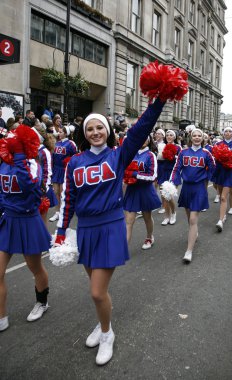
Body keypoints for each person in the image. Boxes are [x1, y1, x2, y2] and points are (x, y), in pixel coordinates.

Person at [54, 98, 166, 365]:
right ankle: (102, 324)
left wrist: (159, 101)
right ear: (84, 132)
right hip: (86, 230)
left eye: (99, 128)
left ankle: (107, 334)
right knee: (97, 289)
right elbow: (68, 199)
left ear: (107, 131)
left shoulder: (118, 154)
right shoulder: (75, 162)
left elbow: (141, 128)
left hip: (111, 226)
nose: (95, 132)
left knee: (96, 291)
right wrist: (61, 232)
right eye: (90, 129)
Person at [0, 125, 51, 332]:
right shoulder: (3, 163)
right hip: (8, 221)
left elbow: (29, 186)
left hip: (28, 221)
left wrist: (20, 156)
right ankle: (1, 315)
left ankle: (42, 302)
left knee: (35, 267)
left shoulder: (32, 164)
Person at [170, 128, 215, 263]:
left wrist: (208, 177)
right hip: (186, 188)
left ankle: (189, 251)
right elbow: (177, 168)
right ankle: (193, 232)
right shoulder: (183, 152)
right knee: (189, 216)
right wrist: (172, 182)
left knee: (193, 219)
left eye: (199, 136)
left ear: (203, 138)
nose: (196, 138)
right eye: (194, 135)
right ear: (191, 137)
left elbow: (213, 169)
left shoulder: (207, 153)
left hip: (199, 188)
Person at [123, 136, 161, 250]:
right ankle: (123, 250)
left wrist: (135, 175)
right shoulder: (131, 153)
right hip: (132, 190)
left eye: (145, 137)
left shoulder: (150, 155)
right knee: (129, 221)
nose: (142, 139)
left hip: (145, 190)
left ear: (149, 140)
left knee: (147, 217)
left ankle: (149, 237)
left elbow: (153, 176)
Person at [212, 127, 232, 232]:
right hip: (220, 172)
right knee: (221, 195)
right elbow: (213, 158)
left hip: (229, 172)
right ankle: (223, 214)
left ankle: (220, 221)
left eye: (230, 131)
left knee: (224, 197)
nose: (228, 133)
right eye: (226, 131)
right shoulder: (218, 144)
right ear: (223, 133)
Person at [49, 126, 77, 222]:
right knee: (56, 192)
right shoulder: (56, 143)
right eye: (59, 132)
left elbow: (75, 157)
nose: (59, 133)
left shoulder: (71, 144)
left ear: (66, 133)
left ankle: (64, 211)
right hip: (56, 169)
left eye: (61, 132)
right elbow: (52, 157)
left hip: (64, 170)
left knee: (62, 193)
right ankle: (57, 212)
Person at [159, 130, 182, 225]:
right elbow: (158, 159)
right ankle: (166, 217)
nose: (169, 136)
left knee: (169, 195)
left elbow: (181, 161)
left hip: (173, 173)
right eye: (167, 135)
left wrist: (174, 157)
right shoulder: (161, 146)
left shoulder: (178, 147)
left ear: (175, 137)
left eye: (171, 135)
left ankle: (173, 213)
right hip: (163, 172)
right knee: (164, 196)